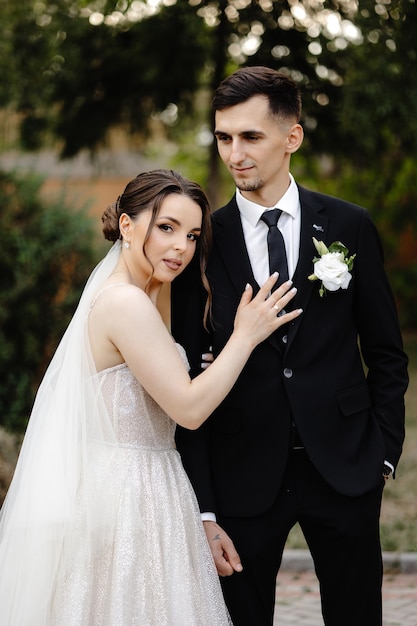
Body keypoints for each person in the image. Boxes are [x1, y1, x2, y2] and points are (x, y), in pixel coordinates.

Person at [0, 169, 302, 625]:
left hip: (155, 483)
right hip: (125, 494)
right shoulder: (124, 303)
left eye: (192, 234)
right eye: (167, 228)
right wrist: (245, 336)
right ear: (126, 225)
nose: (182, 246)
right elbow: (189, 408)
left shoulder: (151, 294)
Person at [172, 67, 409, 626]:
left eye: (251, 137)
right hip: (242, 474)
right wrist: (203, 508)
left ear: (292, 138)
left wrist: (383, 455)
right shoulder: (201, 241)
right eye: (224, 137)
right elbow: (187, 378)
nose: (235, 154)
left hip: (346, 467)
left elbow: (387, 355)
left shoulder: (350, 226)